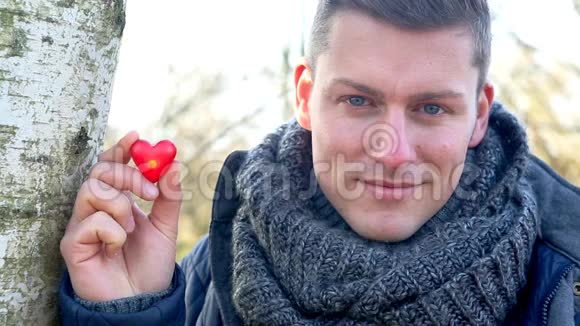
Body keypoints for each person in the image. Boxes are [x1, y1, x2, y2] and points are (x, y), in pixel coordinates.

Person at [59, 0, 580, 325]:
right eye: (358, 101)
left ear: (479, 114)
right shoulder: (208, 275)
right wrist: (133, 314)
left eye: (430, 108)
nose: (391, 151)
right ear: (306, 97)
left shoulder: (566, 283)